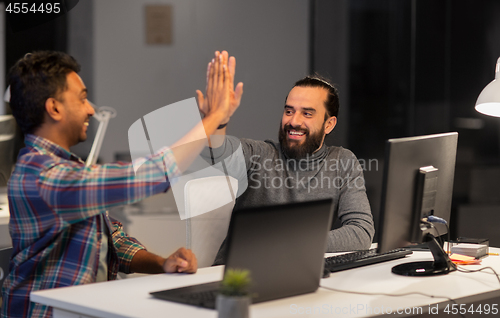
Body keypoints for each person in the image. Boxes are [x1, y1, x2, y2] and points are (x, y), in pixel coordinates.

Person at [1, 50, 235, 318]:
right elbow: (151, 175)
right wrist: (213, 118)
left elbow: (114, 243)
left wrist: (163, 264)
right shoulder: (43, 176)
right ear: (54, 108)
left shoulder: (67, 168)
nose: (91, 109)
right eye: (82, 98)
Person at [196, 51, 375, 265]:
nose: (294, 121)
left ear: (329, 124)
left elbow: (361, 232)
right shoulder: (259, 154)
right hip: (238, 278)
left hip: (297, 272)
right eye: (289, 111)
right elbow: (217, 155)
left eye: (307, 114)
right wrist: (218, 121)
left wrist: (290, 244)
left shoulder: (343, 162)